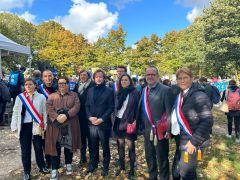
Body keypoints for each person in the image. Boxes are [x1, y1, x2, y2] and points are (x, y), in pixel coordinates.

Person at [171, 67, 213, 179]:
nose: (182, 80)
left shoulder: (199, 96)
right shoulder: (181, 95)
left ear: (192, 78)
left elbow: (208, 121)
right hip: (181, 139)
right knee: (177, 171)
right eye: (180, 78)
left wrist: (194, 142)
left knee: (185, 173)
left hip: (192, 142)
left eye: (185, 78)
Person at [137, 66, 173, 180]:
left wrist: (168, 130)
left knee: (162, 158)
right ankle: (152, 177)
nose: (150, 76)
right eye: (148, 74)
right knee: (149, 156)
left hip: (161, 131)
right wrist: (141, 127)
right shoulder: (144, 90)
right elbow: (142, 111)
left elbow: (169, 112)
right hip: (148, 131)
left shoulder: (166, 90)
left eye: (153, 74)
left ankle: (164, 178)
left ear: (157, 76)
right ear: (145, 76)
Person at [11, 78, 48, 180]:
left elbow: (45, 112)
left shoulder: (41, 97)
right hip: (24, 127)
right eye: (26, 84)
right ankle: (27, 172)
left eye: (30, 84)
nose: (28, 86)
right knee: (25, 150)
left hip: (37, 125)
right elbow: (15, 112)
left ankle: (42, 166)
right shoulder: (20, 97)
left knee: (38, 148)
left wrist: (45, 125)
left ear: (35, 86)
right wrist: (14, 126)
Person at [45, 76, 81, 180]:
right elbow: (48, 107)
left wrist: (67, 115)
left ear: (68, 84)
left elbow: (77, 106)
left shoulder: (74, 95)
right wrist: (57, 117)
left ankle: (68, 164)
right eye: (60, 83)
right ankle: (54, 169)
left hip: (70, 123)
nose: (62, 85)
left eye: (64, 83)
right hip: (55, 126)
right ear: (58, 84)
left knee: (68, 146)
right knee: (55, 147)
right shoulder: (52, 96)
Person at [85, 69, 114, 177]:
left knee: (105, 145)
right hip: (92, 123)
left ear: (104, 78)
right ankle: (94, 163)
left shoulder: (109, 91)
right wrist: (89, 117)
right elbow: (86, 105)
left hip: (103, 123)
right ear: (94, 78)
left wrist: (102, 119)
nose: (98, 78)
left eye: (101, 76)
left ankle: (105, 166)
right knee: (93, 145)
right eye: (97, 77)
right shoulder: (90, 90)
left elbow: (111, 107)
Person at [113, 74, 140, 179]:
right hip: (118, 121)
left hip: (129, 122)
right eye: (122, 80)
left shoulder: (135, 92)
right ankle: (122, 167)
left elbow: (138, 109)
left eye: (126, 80)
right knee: (120, 145)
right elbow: (114, 107)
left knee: (131, 146)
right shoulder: (117, 92)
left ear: (130, 81)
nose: (123, 82)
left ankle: (132, 169)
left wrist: (136, 121)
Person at [38, 70, 58, 168]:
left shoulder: (58, 87)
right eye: (45, 76)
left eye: (49, 76)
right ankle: (48, 161)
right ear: (42, 78)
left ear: (53, 77)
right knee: (45, 141)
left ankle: (56, 161)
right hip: (44, 118)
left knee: (56, 141)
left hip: (55, 118)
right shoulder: (39, 89)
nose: (48, 78)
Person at [74, 70, 94, 166]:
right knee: (81, 138)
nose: (82, 76)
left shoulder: (92, 85)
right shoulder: (77, 86)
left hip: (90, 115)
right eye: (81, 75)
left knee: (91, 138)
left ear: (88, 76)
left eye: (84, 75)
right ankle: (83, 157)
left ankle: (92, 158)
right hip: (79, 116)